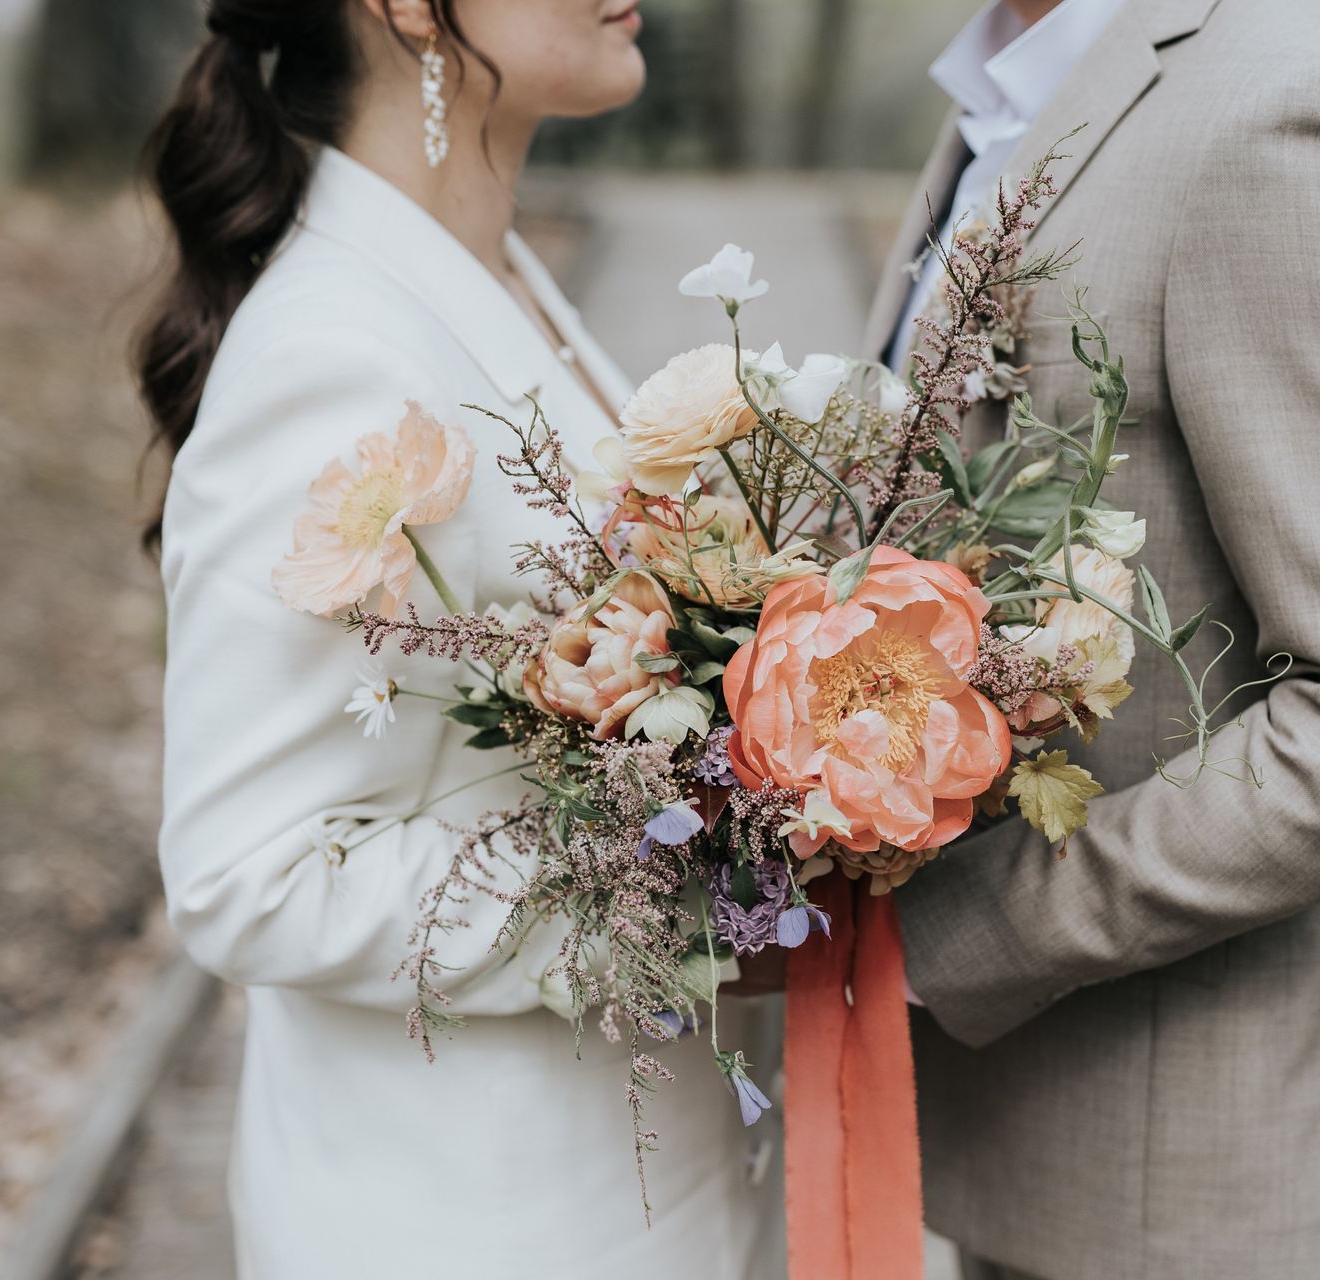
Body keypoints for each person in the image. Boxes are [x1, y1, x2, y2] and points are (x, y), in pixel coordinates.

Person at [865, 0, 1320, 1277]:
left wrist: (948, 937)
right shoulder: (1007, 89)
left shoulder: (1290, 110)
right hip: (1023, 1152)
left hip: (1214, 1188)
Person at [140, 2, 775, 1276]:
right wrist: (700, 886)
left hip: (632, 1184)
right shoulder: (336, 351)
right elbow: (250, 869)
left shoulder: (487, 274)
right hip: (473, 1211)